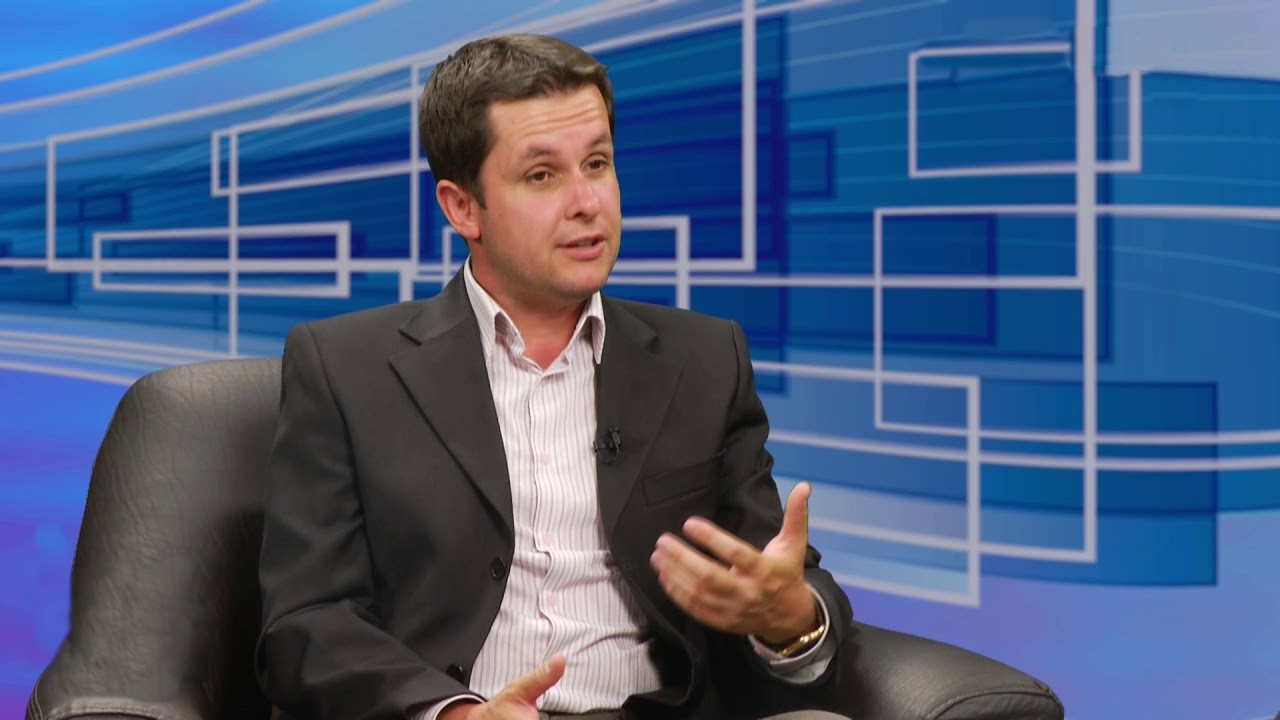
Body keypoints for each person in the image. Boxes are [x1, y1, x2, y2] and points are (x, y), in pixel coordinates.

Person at [255, 32, 854, 720]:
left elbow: (776, 577)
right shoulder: (344, 369)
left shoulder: (706, 360)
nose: (586, 201)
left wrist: (790, 619)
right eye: (542, 176)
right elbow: (307, 624)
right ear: (462, 207)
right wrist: (455, 713)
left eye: (597, 163)